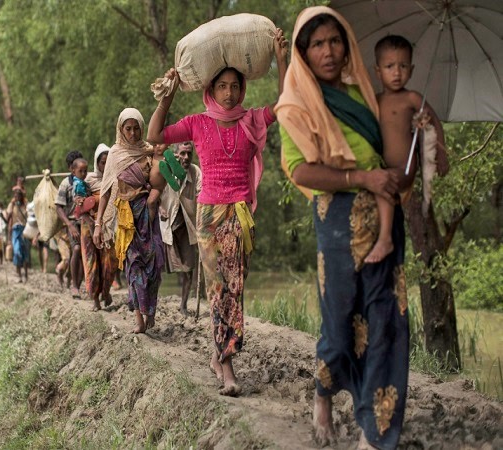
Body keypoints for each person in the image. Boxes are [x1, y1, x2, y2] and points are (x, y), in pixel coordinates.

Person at [275, 7, 411, 449]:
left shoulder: (363, 93)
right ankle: (323, 393)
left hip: (385, 215)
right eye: (317, 44)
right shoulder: (294, 105)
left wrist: (415, 141)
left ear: (346, 43)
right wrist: (360, 179)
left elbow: (388, 152)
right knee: (339, 325)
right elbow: (300, 172)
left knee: (386, 321)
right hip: (337, 222)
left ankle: (375, 434)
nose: (329, 51)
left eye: (335, 40)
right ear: (303, 52)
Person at [147, 28, 288, 397]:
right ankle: (226, 365)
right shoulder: (197, 123)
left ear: (242, 89)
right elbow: (155, 135)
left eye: (235, 86)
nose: (229, 93)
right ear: (212, 89)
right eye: (223, 86)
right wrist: (169, 94)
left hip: (240, 214)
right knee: (217, 287)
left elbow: (286, 104)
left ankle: (218, 353)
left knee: (236, 287)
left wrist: (281, 57)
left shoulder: (252, 119)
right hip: (209, 214)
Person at [93, 108, 165, 334]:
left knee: (153, 264)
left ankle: (150, 310)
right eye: (128, 129)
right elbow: (105, 191)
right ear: (121, 130)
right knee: (133, 266)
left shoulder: (149, 151)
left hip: (148, 214)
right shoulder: (115, 155)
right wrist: (98, 224)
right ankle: (139, 320)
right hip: (126, 218)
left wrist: (156, 196)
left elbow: (160, 180)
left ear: (142, 129)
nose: (133, 133)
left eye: (136, 129)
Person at [374, 34, 449, 211]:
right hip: (380, 166)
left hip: (403, 167)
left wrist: (442, 153)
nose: (397, 73)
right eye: (389, 66)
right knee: (376, 185)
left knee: (384, 183)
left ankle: (385, 237)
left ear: (412, 70)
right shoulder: (374, 100)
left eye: (403, 66)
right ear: (378, 71)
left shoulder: (412, 98)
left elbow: (435, 123)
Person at [158, 141, 202, 315]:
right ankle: (152, 301)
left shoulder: (195, 172)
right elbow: (155, 190)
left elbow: (201, 193)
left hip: (188, 225)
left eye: (188, 154)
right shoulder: (165, 169)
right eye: (182, 154)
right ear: (175, 155)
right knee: (159, 268)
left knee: (188, 268)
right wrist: (160, 207)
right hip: (167, 225)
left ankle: (183, 305)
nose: (185, 158)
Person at [79, 143, 118, 311]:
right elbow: (80, 208)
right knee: (91, 262)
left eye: (109, 161)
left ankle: (106, 291)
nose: (105, 165)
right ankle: (95, 298)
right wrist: (94, 223)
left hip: (109, 225)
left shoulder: (116, 178)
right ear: (97, 162)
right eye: (103, 162)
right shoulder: (87, 181)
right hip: (89, 226)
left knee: (110, 261)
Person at [56, 151, 86, 297]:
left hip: (85, 222)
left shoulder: (86, 182)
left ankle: (80, 284)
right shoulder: (65, 184)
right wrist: (69, 225)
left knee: (84, 254)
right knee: (76, 250)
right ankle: (75, 286)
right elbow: (58, 207)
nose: (82, 172)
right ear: (71, 168)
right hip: (72, 222)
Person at [5, 188, 29, 283]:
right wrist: (9, 236)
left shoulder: (25, 205)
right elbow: (8, 220)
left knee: (25, 253)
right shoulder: (12, 205)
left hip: (25, 230)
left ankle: (26, 274)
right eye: (16, 196)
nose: (17, 197)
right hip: (15, 230)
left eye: (19, 196)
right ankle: (19, 275)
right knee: (17, 252)